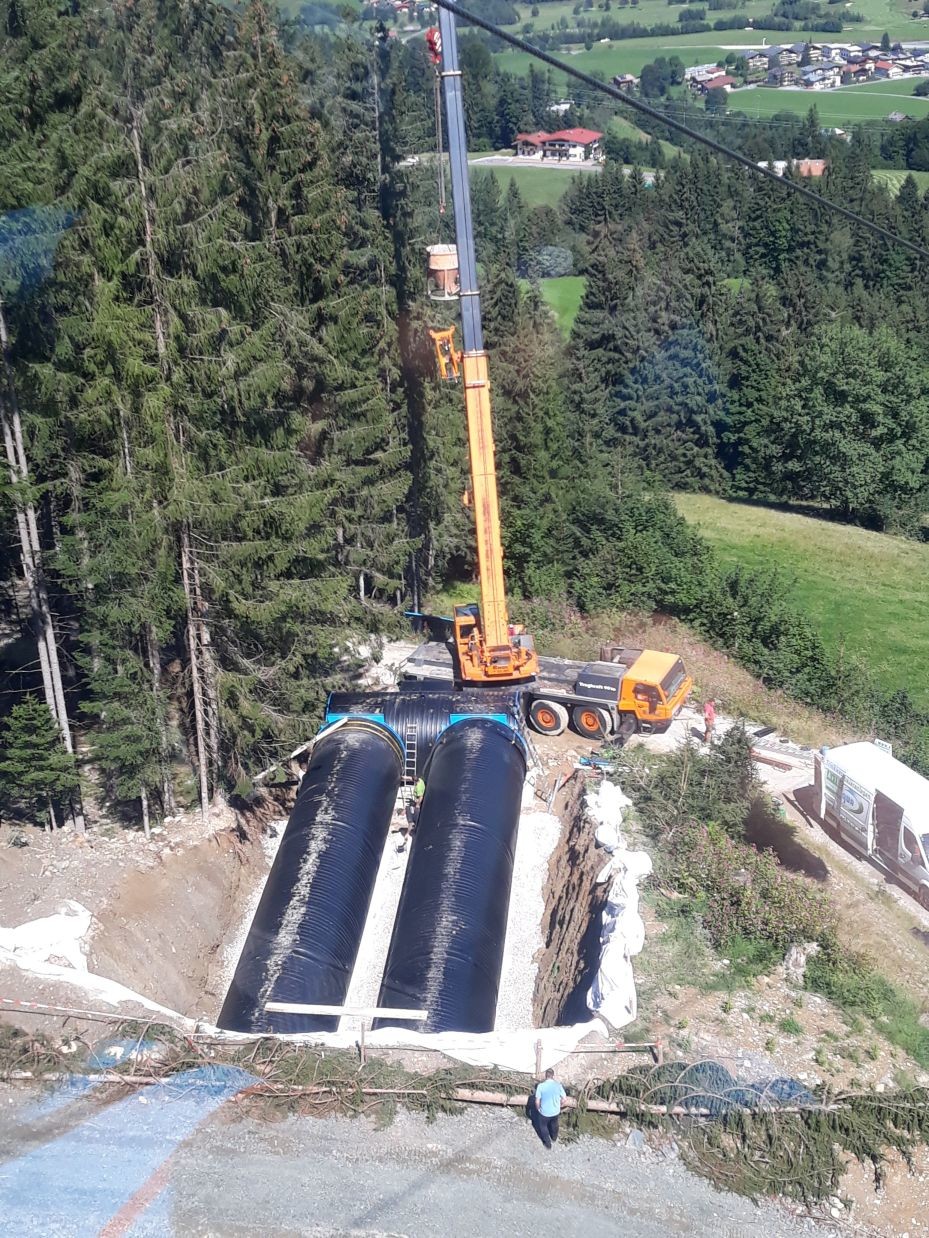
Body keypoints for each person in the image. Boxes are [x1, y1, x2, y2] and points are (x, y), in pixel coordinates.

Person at [533, 1068, 566, 1149]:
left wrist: (538, 1109)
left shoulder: (540, 1086)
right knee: (554, 1124)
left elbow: (537, 1101)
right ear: (553, 1076)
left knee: (543, 1127)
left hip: (544, 1112)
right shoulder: (558, 1085)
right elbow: (564, 1099)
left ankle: (548, 1144)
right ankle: (554, 1138)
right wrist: (560, 1105)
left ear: (546, 1076)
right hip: (555, 1112)